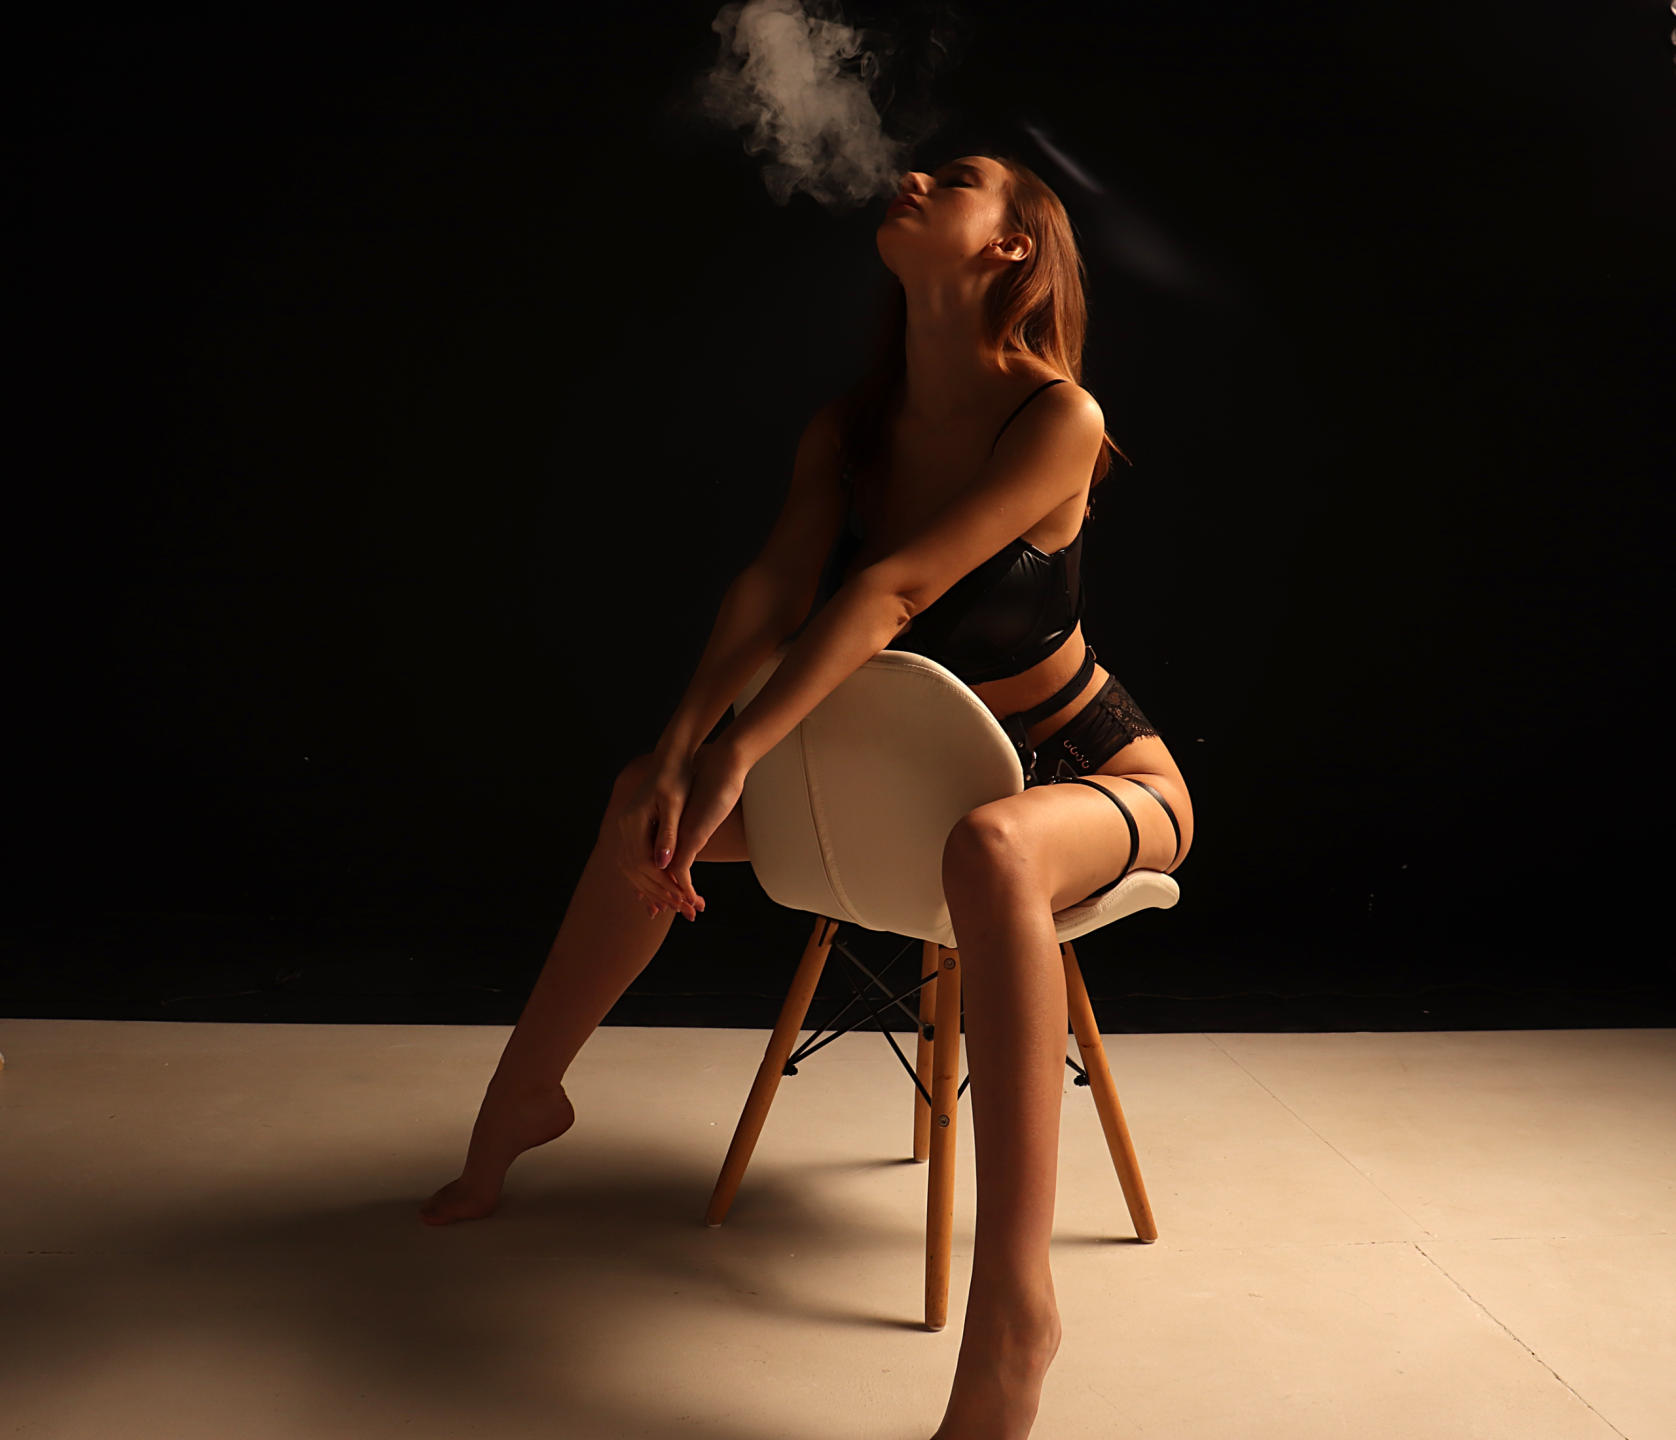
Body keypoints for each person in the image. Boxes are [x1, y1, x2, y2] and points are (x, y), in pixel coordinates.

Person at [422, 153, 1194, 1440]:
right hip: (919, 789)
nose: (911, 174)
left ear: (1009, 246)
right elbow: (771, 593)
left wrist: (741, 748)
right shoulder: (849, 429)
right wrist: (686, 745)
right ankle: (519, 1106)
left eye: (957, 179)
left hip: (1094, 772)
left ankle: (1015, 1314)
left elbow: (894, 591)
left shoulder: (1055, 416)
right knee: (642, 796)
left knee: (996, 850)